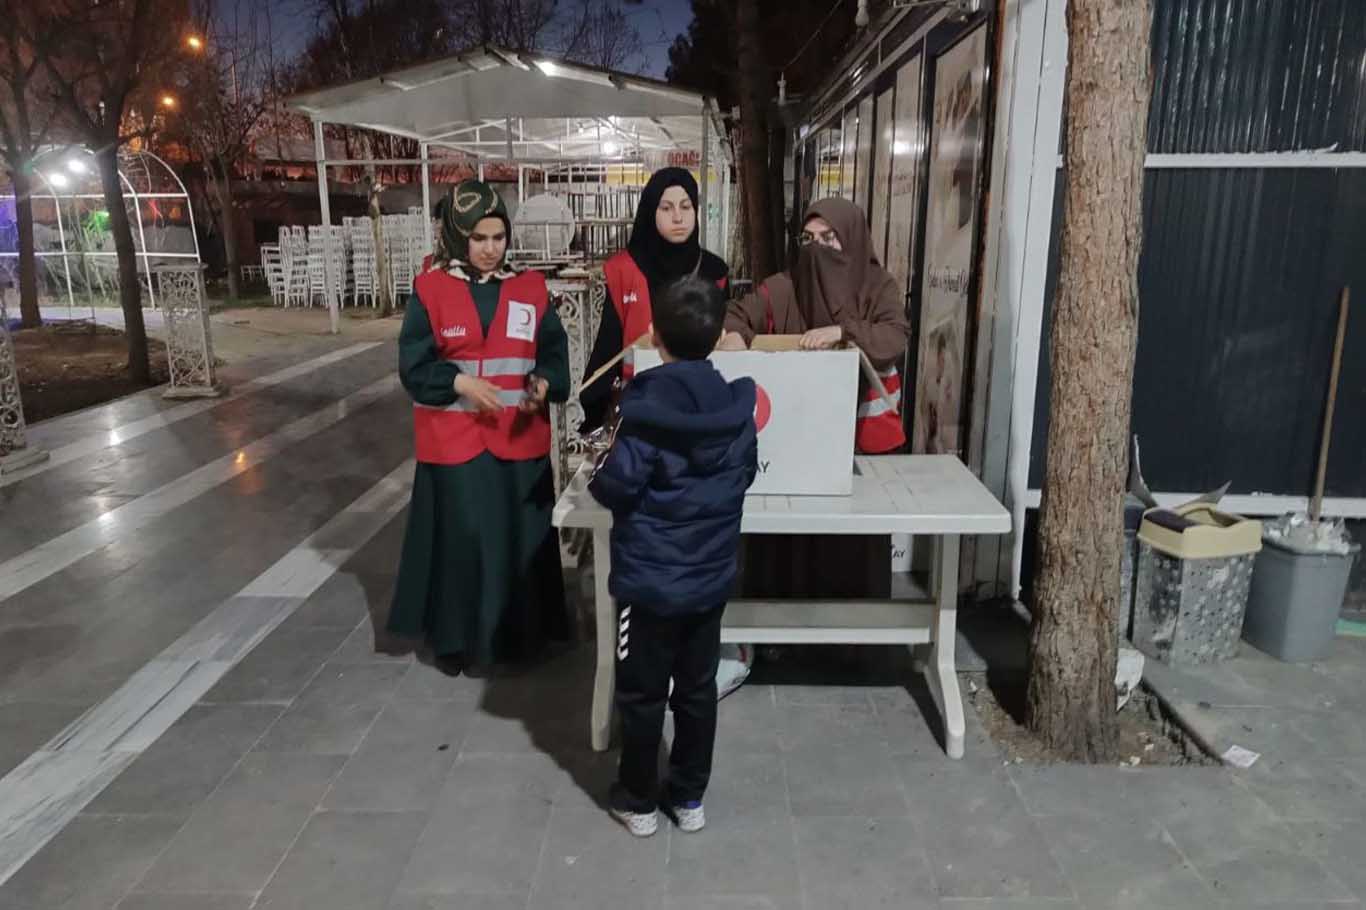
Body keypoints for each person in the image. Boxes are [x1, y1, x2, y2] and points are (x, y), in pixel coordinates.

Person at [587, 277, 758, 837]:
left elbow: (615, 487)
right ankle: (688, 798)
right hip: (709, 582)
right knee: (696, 689)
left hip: (648, 584)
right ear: (717, 338)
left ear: (655, 335)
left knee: (640, 693)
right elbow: (743, 479)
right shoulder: (736, 412)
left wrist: (597, 470)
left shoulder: (644, 414)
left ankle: (637, 800)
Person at [388, 180, 570, 675]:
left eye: (499, 237)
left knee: (517, 540)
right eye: (479, 238)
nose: (491, 249)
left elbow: (552, 351)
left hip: (518, 441)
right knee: (466, 541)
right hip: (456, 446)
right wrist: (460, 384)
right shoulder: (430, 289)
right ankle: (461, 641)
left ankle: (521, 639)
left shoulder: (529, 287)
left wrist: (545, 382)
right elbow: (414, 367)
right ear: (456, 237)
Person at [720, 197, 910, 598]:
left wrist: (845, 333)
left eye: (830, 238)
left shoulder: (878, 287)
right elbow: (739, 313)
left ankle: (852, 644)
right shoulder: (786, 286)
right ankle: (779, 632)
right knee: (788, 538)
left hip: (859, 449)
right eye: (808, 238)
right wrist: (734, 333)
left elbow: (894, 336)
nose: (817, 249)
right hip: (797, 443)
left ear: (853, 239)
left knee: (851, 542)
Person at [578, 167, 729, 435]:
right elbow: (610, 343)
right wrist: (596, 405)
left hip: (700, 406)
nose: (678, 217)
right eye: (666, 208)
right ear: (651, 212)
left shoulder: (714, 272)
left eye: (686, 207)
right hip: (640, 405)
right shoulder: (624, 269)